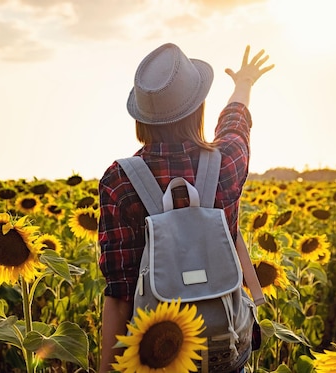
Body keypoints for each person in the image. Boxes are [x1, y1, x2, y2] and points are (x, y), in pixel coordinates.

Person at [97, 43, 274, 373]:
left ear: (142, 117)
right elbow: (235, 125)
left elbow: (120, 295)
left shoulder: (120, 181)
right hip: (226, 349)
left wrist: (107, 370)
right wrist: (244, 83)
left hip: (158, 355)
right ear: (198, 108)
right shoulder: (226, 163)